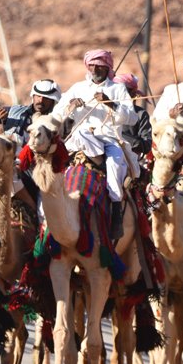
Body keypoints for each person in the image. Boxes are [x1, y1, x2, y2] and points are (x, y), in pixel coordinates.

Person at [56, 50, 139, 238]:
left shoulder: (117, 90)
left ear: (108, 67)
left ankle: (116, 210)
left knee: (116, 163)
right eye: (92, 65)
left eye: (100, 65)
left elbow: (132, 118)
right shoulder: (77, 88)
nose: (95, 68)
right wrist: (70, 106)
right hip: (82, 140)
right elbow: (58, 113)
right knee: (78, 135)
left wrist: (111, 104)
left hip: (109, 138)